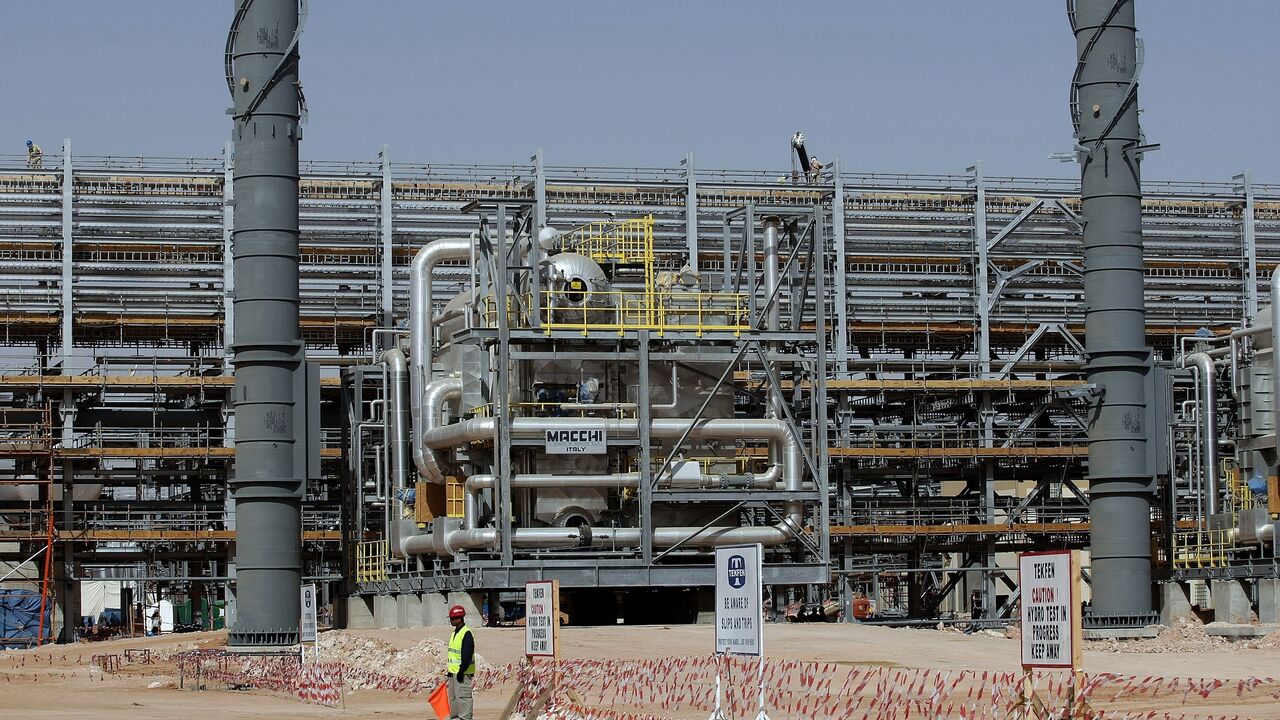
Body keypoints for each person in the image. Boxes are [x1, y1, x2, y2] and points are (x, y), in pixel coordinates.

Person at [445, 604, 475, 720]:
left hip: (462, 675)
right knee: (454, 702)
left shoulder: (466, 633)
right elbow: (453, 655)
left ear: (460, 618)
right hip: (453, 674)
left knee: (463, 701)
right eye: (451, 619)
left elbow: (467, 656)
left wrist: (461, 672)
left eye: (453, 618)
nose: (451, 621)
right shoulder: (454, 633)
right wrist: (450, 673)